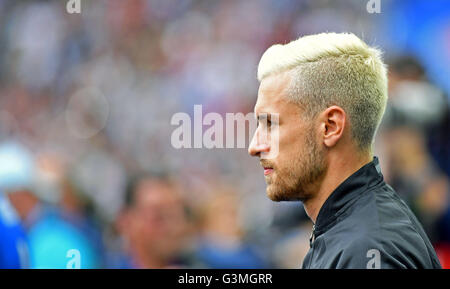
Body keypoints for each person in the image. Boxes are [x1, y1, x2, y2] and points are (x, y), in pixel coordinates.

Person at [248, 32, 442, 269]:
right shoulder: (349, 234)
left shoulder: (367, 249)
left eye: (271, 124)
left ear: (330, 127)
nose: (255, 146)